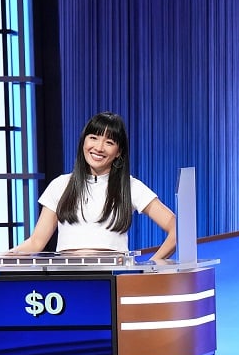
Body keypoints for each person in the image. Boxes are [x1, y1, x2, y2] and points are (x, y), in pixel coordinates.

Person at [11, 111, 177, 263]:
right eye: (93, 138)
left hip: (112, 277)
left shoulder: (130, 186)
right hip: (66, 275)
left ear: (119, 152)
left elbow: (177, 228)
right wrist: (3, 258)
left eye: (109, 142)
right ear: (84, 140)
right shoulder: (60, 185)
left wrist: (150, 265)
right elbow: (36, 242)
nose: (98, 147)